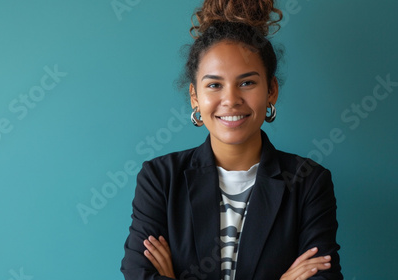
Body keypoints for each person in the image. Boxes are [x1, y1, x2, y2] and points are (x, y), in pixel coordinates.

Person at [121, 0, 342, 279]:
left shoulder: (308, 181)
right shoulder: (160, 178)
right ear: (195, 98)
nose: (231, 100)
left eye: (247, 83)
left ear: (271, 90)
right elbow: (138, 274)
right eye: (214, 85)